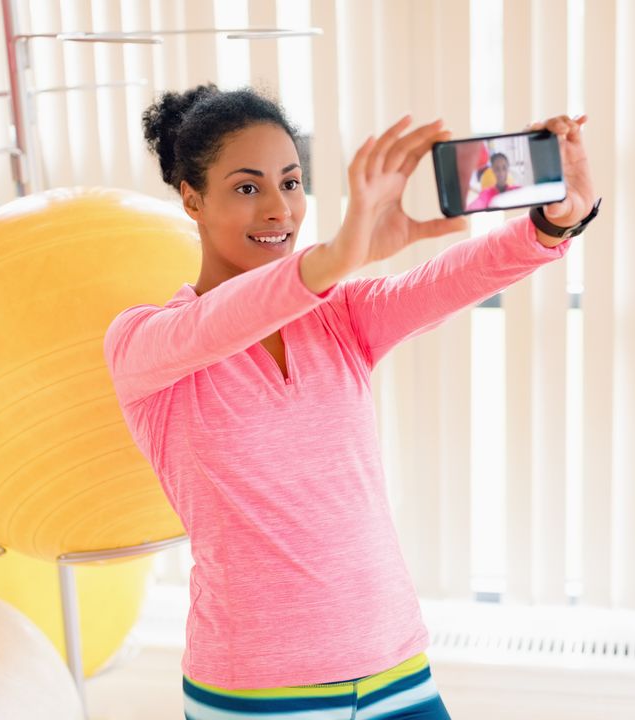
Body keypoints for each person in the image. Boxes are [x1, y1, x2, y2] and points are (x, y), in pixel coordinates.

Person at [104, 84, 597, 719]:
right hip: (257, 693)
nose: (279, 209)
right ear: (192, 200)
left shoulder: (337, 316)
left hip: (396, 670)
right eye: (247, 188)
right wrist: (338, 256)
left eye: (290, 182)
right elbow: (225, 321)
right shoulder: (146, 344)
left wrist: (554, 221)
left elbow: (447, 279)